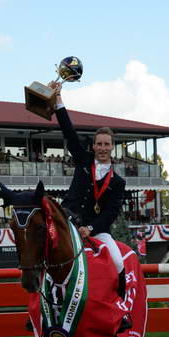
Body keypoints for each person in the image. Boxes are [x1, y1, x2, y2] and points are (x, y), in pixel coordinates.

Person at [50, 81, 127, 301]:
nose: (102, 148)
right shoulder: (83, 161)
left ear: (112, 147)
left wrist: (91, 228)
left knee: (118, 260)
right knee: (47, 250)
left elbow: (111, 213)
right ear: (93, 146)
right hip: (68, 221)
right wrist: (58, 101)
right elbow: (69, 132)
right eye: (99, 144)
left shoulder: (118, 182)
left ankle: (120, 307)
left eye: (106, 144)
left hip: (96, 229)